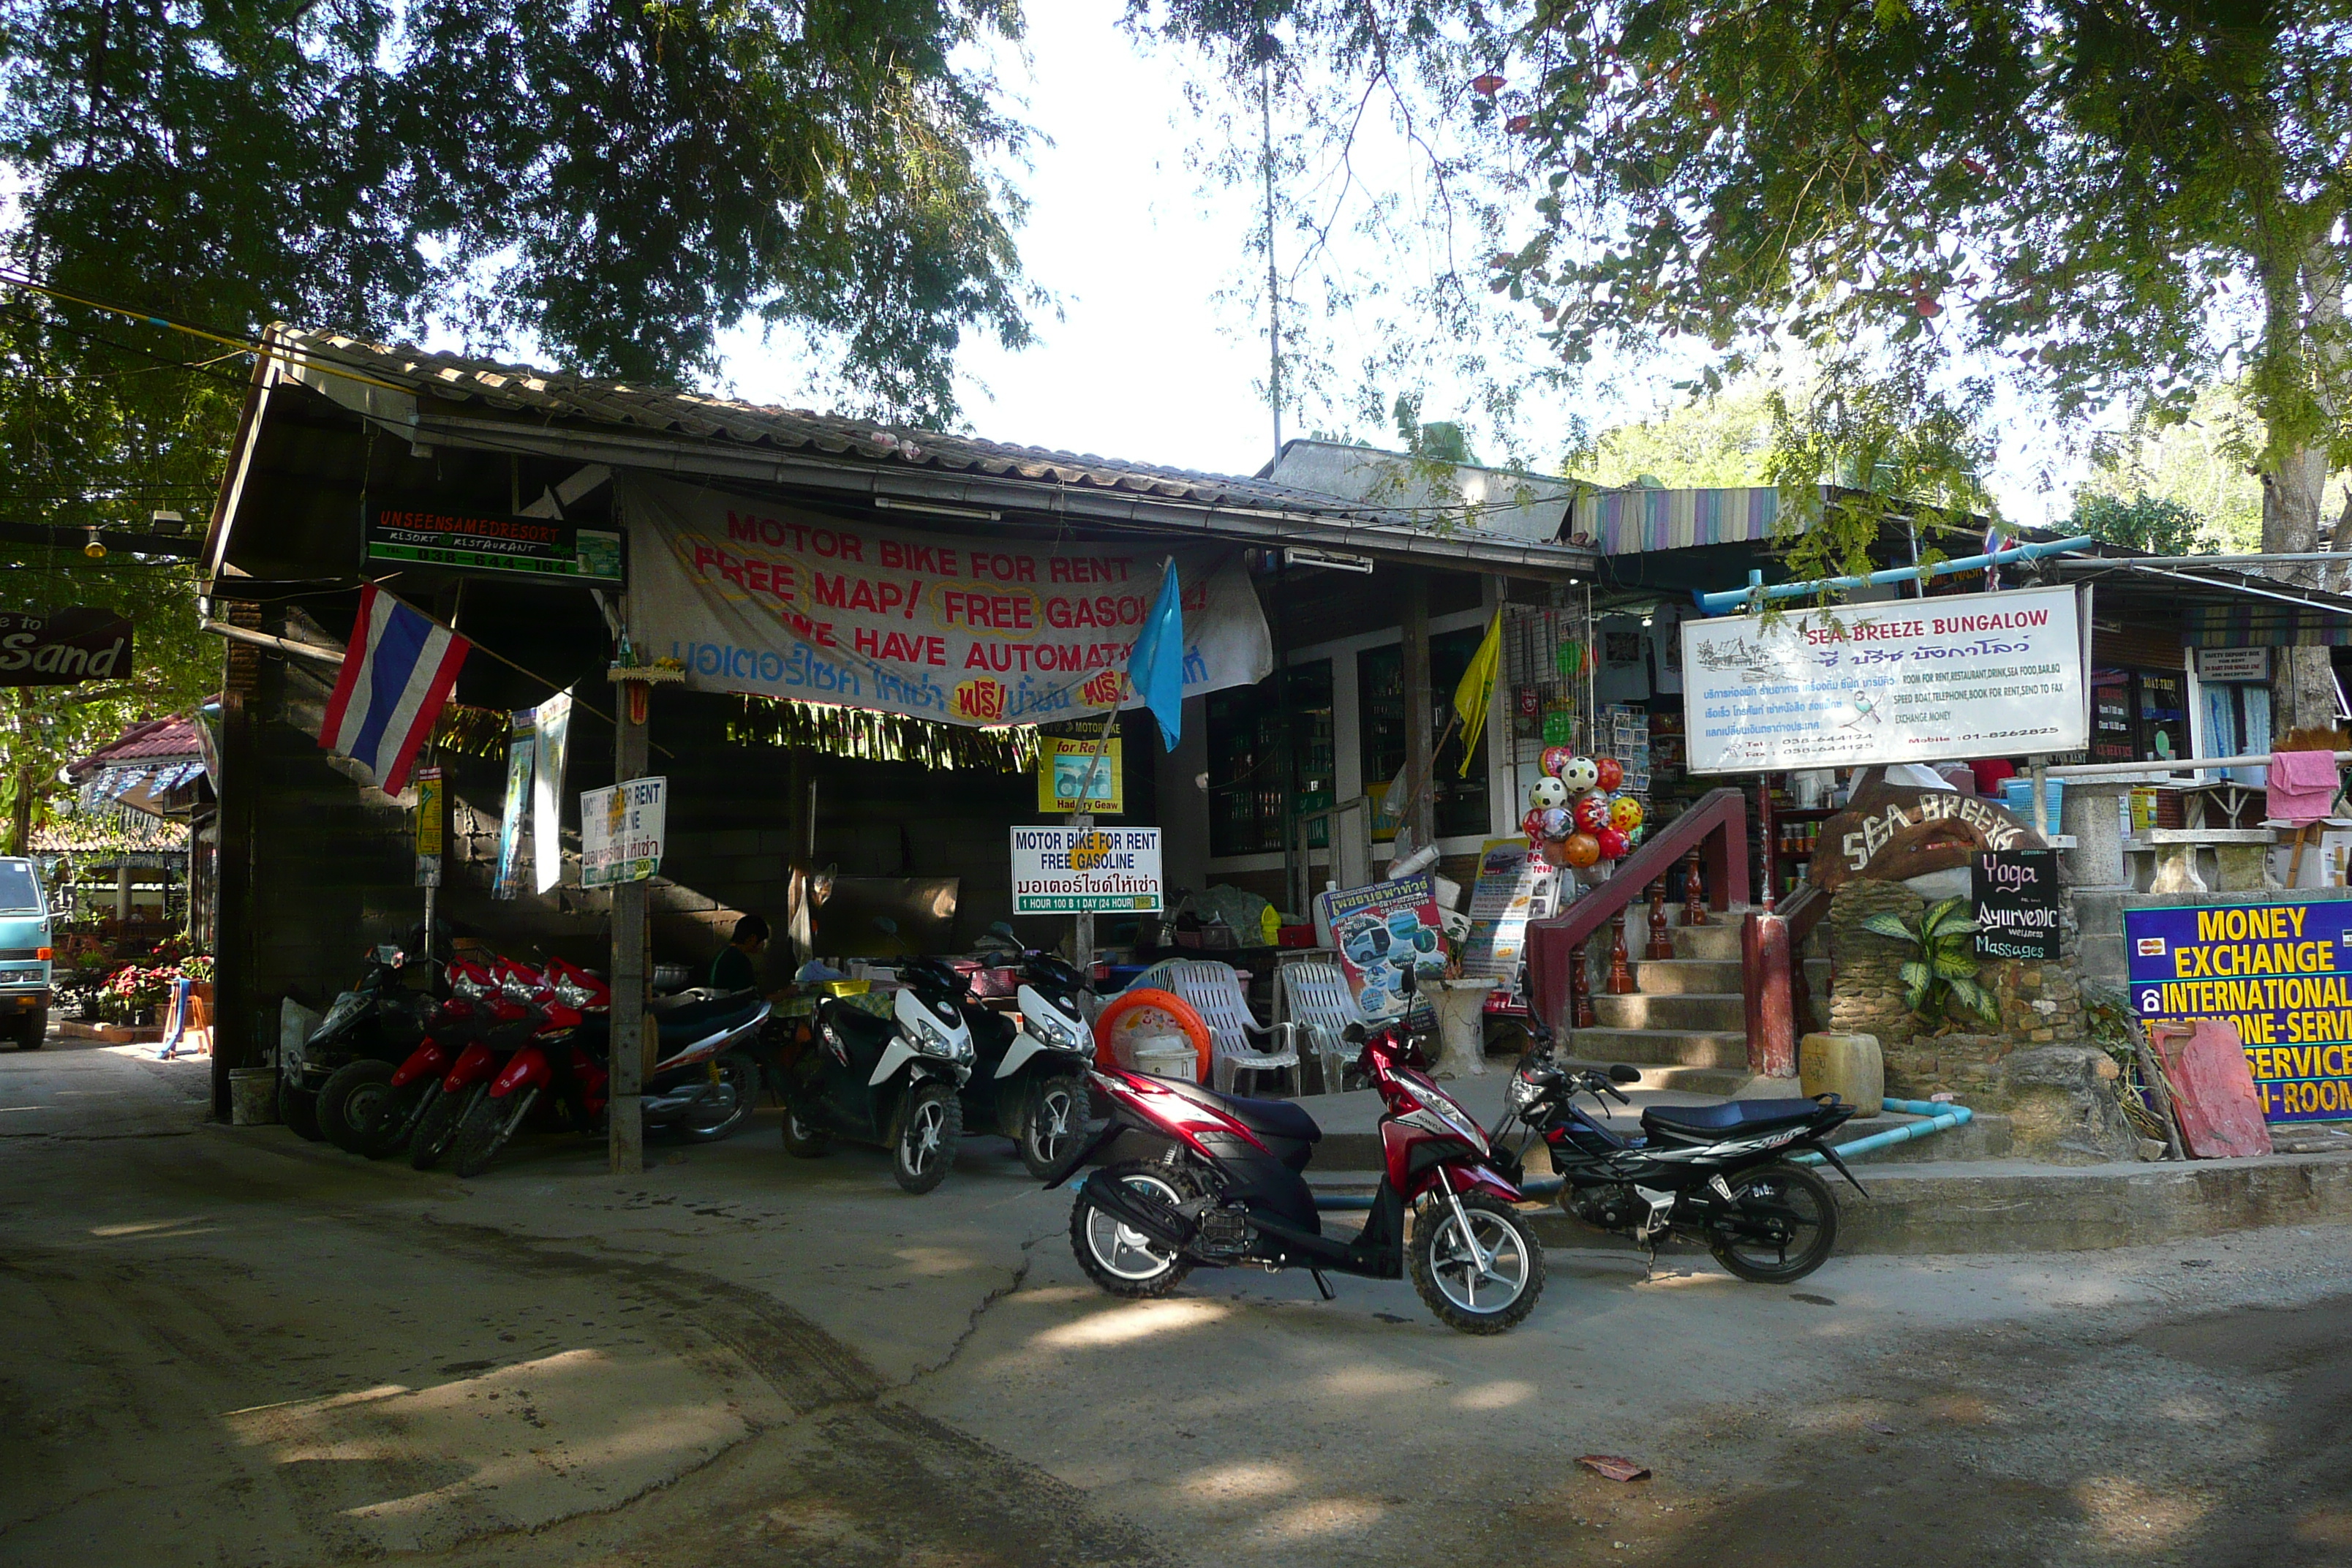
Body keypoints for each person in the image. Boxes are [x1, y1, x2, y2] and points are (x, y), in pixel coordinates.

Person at [708, 913, 769, 994]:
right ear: (752, 939)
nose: (763, 944)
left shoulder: (726, 952)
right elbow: (751, 1000)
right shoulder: (739, 960)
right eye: (762, 941)